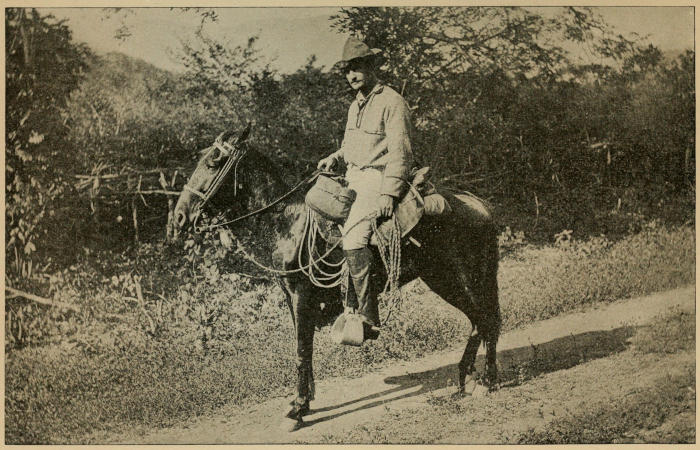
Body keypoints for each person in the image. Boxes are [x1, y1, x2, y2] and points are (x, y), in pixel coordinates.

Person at [317, 36, 414, 333]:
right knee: (318, 211)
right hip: (354, 175)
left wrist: (389, 193)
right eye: (347, 70)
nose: (352, 75)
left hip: (377, 177)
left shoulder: (392, 101)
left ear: (372, 67)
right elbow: (351, 145)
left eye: (357, 67)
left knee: (354, 237)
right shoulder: (355, 105)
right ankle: (335, 302)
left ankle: (368, 317)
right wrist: (334, 157)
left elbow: (401, 152)